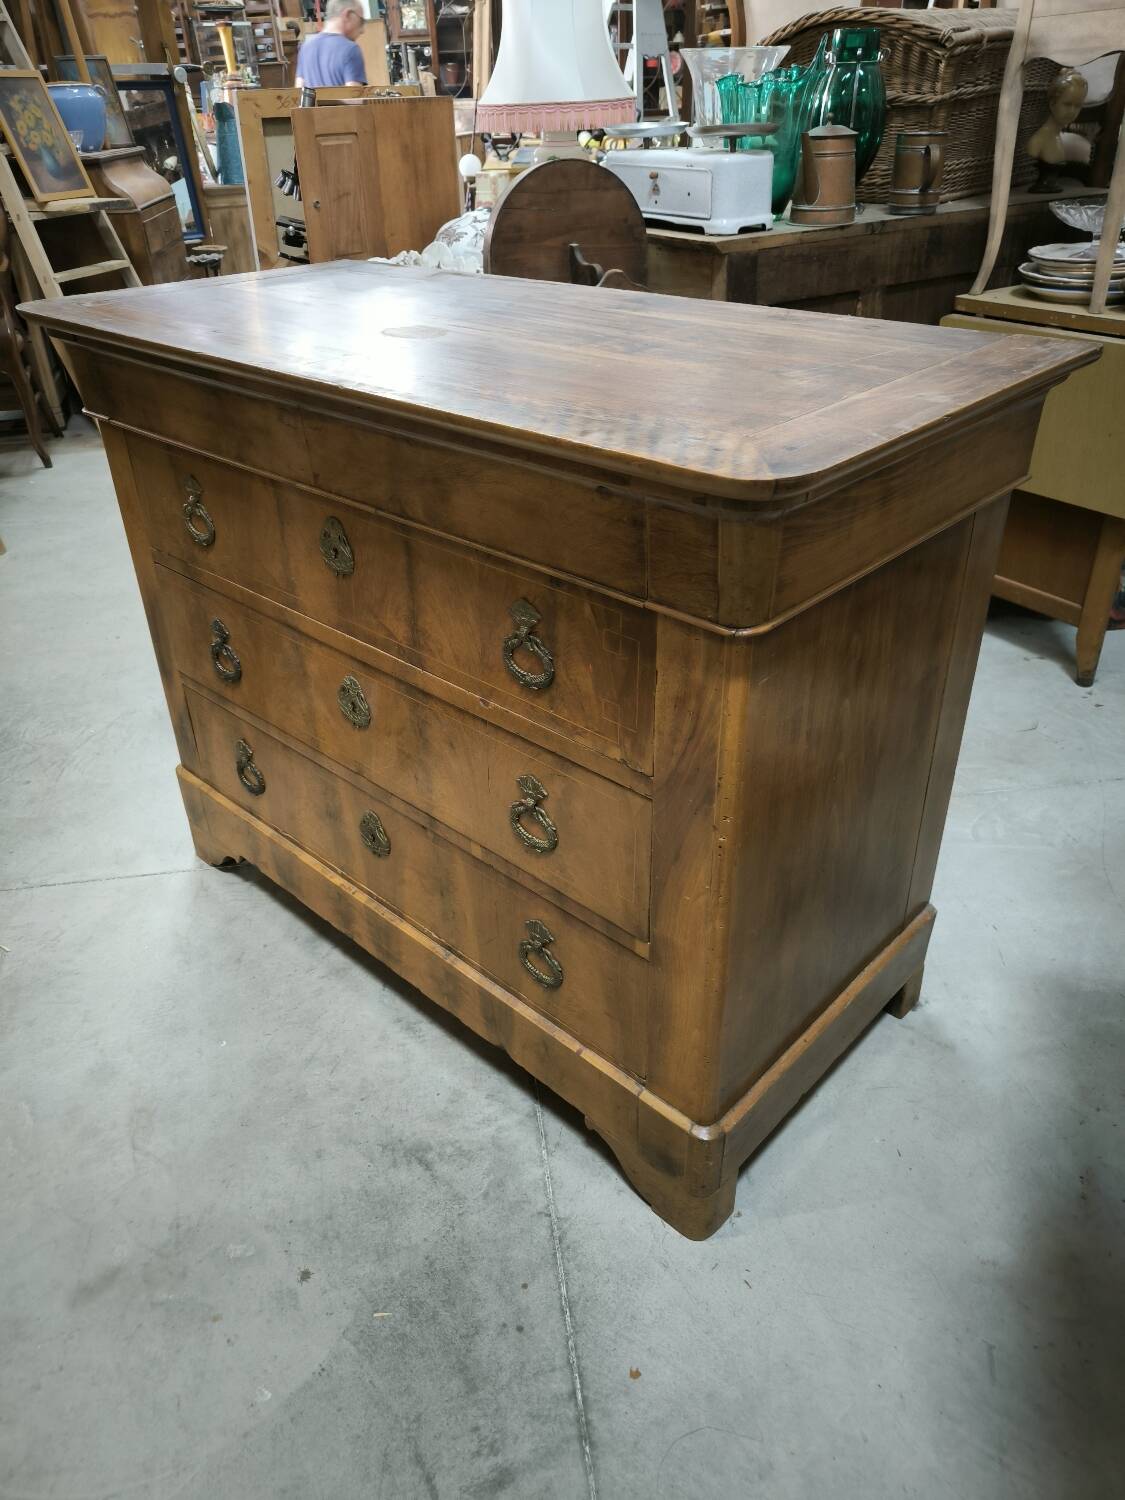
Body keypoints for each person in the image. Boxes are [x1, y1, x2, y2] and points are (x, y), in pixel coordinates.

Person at [295, 0, 367, 90]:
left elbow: (299, 92)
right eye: (361, 21)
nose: (362, 30)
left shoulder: (306, 47)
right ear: (347, 15)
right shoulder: (351, 49)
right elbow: (354, 95)